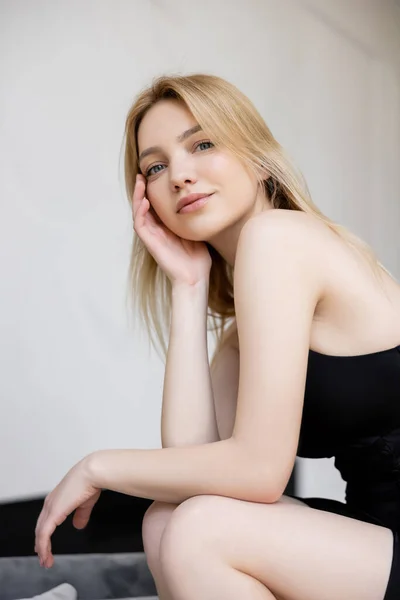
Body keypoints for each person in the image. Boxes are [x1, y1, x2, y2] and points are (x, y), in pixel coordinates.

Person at [34, 73, 400, 600]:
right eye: (155, 167)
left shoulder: (281, 239)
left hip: (381, 546)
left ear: (257, 155)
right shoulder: (242, 328)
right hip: (375, 543)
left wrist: (99, 466)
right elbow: (195, 470)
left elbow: (257, 471)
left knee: (200, 530)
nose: (179, 175)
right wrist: (187, 286)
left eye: (202, 144)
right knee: (169, 520)